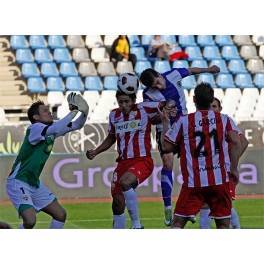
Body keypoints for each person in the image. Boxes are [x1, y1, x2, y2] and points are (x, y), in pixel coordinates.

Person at [140, 65, 220, 226]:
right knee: (168, 163)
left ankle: (192, 205)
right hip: (165, 128)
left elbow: (190, 70)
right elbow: (151, 116)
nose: (157, 86)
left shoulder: (173, 74)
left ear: (159, 74)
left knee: (193, 164)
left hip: (185, 126)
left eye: (157, 82)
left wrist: (209, 69)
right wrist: (162, 114)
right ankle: (168, 207)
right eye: (154, 86)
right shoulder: (147, 94)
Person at [160, 82, 242, 229]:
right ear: (211, 100)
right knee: (223, 224)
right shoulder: (224, 119)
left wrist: (165, 122)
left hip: (194, 183)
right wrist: (234, 168)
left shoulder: (184, 121)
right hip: (219, 181)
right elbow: (236, 142)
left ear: (194, 99)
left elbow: (166, 147)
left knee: (178, 223)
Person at [6, 93, 89, 229]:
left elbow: (77, 125)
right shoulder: (34, 128)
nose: (49, 113)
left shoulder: (50, 131)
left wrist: (84, 112)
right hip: (18, 181)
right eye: (45, 111)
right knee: (30, 220)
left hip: (34, 183)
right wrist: (74, 111)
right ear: (36, 117)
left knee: (60, 214)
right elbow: (57, 128)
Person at [86, 89, 162, 229]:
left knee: (125, 182)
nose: (124, 105)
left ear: (133, 101)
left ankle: (137, 225)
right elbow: (111, 137)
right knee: (117, 202)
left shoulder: (143, 110)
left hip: (142, 160)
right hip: (122, 163)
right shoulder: (114, 115)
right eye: (121, 102)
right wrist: (96, 151)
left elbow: (164, 105)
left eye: (127, 101)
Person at [199, 97, 248, 229]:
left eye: (215, 106)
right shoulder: (201, 123)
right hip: (206, 169)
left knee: (223, 204)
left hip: (224, 170)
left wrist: (233, 163)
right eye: (210, 106)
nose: (212, 109)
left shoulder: (225, 121)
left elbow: (243, 142)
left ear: (220, 109)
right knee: (205, 205)